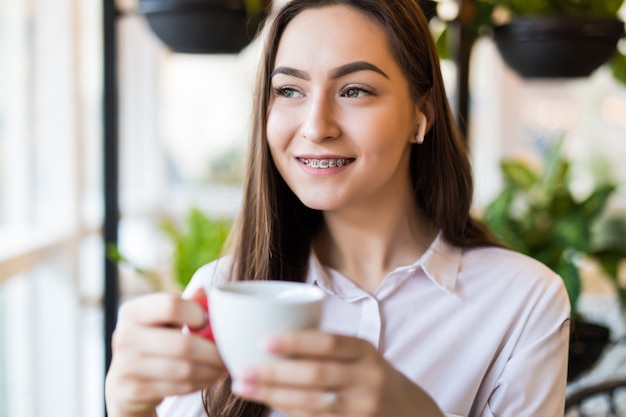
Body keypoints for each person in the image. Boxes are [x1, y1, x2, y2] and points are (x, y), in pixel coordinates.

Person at [104, 0, 571, 416]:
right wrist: (129, 409)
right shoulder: (219, 292)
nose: (316, 126)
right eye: (289, 90)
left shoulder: (523, 301)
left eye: (355, 90)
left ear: (420, 115)